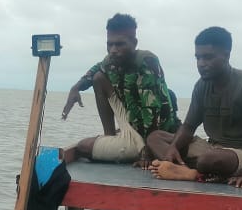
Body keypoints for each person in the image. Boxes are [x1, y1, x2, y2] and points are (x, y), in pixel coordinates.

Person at [147, 26, 242, 188]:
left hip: (240, 152)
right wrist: (172, 148)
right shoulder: (201, 86)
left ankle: (191, 172)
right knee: (155, 137)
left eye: (208, 58)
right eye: (198, 58)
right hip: (210, 146)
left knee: (210, 159)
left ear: (226, 56)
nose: (201, 64)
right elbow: (188, 128)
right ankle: (179, 165)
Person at [61, 13, 180, 164]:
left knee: (83, 147)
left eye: (119, 44)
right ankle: (109, 136)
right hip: (131, 126)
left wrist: (147, 153)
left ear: (134, 43)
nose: (113, 50)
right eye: (109, 44)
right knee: (98, 77)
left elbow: (152, 112)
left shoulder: (146, 62)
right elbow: (96, 69)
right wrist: (76, 87)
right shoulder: (111, 60)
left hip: (153, 138)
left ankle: (137, 149)